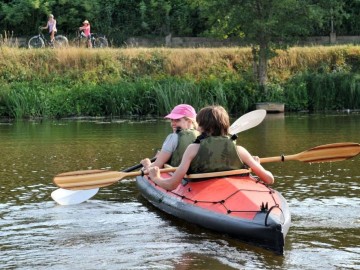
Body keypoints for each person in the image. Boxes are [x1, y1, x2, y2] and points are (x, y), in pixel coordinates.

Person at [148, 105, 274, 190]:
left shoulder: (193, 149)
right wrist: (256, 165)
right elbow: (269, 179)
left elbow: (171, 184)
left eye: (199, 124)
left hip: (199, 188)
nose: (197, 127)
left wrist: (155, 178)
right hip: (229, 188)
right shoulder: (240, 151)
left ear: (202, 127)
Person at [141, 104, 199, 170]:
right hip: (197, 173)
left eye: (177, 120)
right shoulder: (200, 134)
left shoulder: (173, 137)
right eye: (172, 120)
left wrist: (147, 164)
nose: (173, 124)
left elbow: (155, 167)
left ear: (189, 122)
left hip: (177, 175)